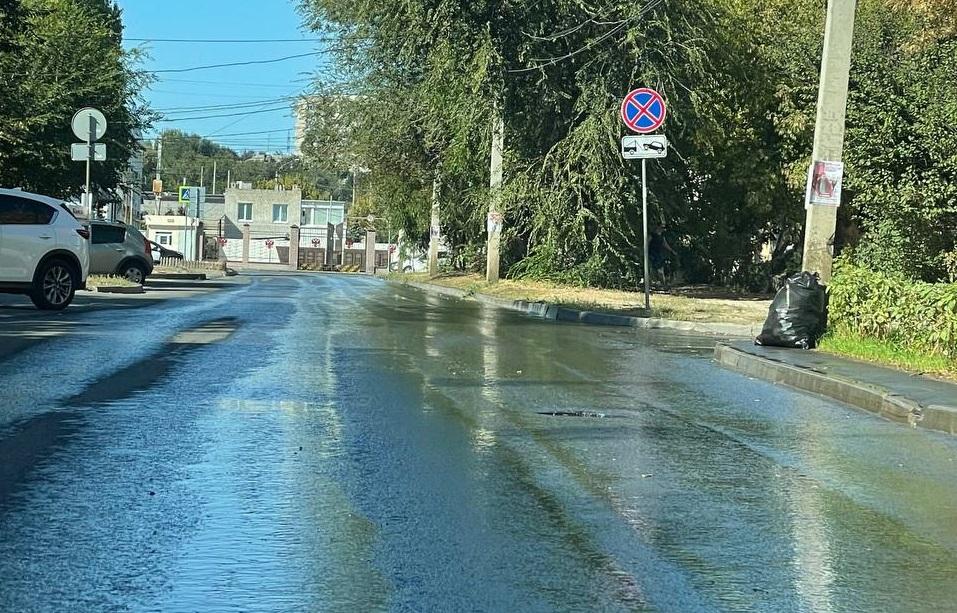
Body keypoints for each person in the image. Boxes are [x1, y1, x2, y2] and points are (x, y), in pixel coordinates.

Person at [649, 224, 677, 289]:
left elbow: (665, 244)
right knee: (656, 268)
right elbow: (647, 243)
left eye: (664, 228)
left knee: (660, 268)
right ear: (658, 227)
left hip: (658, 254)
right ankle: (659, 283)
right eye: (662, 228)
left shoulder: (662, 237)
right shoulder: (652, 235)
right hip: (652, 254)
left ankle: (662, 284)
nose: (663, 229)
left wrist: (672, 251)